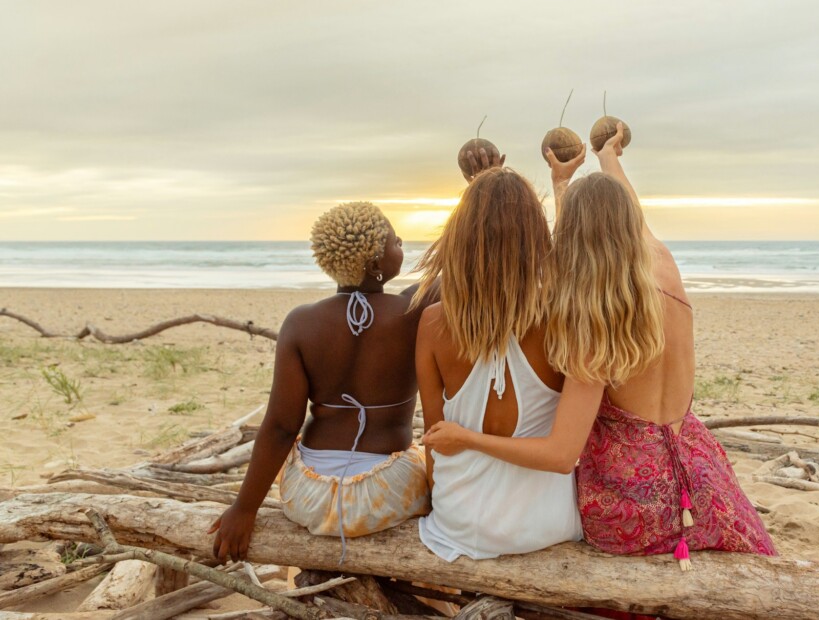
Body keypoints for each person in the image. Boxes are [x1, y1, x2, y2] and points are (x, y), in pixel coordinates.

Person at [423, 124, 776, 570]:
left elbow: (560, 453)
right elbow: (625, 220)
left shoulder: (595, 330)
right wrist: (608, 158)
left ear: (570, 240)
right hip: (701, 474)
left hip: (631, 493)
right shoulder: (666, 271)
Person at [210, 202, 430, 562]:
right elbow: (468, 266)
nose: (402, 242)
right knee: (421, 458)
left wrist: (244, 509)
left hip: (310, 496)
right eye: (395, 240)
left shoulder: (301, 322)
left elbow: (281, 427)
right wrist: (479, 184)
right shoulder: (414, 310)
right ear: (376, 264)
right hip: (385, 492)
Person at [413, 167, 583, 561]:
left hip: (459, 522)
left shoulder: (434, 323)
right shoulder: (561, 320)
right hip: (543, 523)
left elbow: (436, 443)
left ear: (460, 239)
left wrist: (444, 503)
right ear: (537, 239)